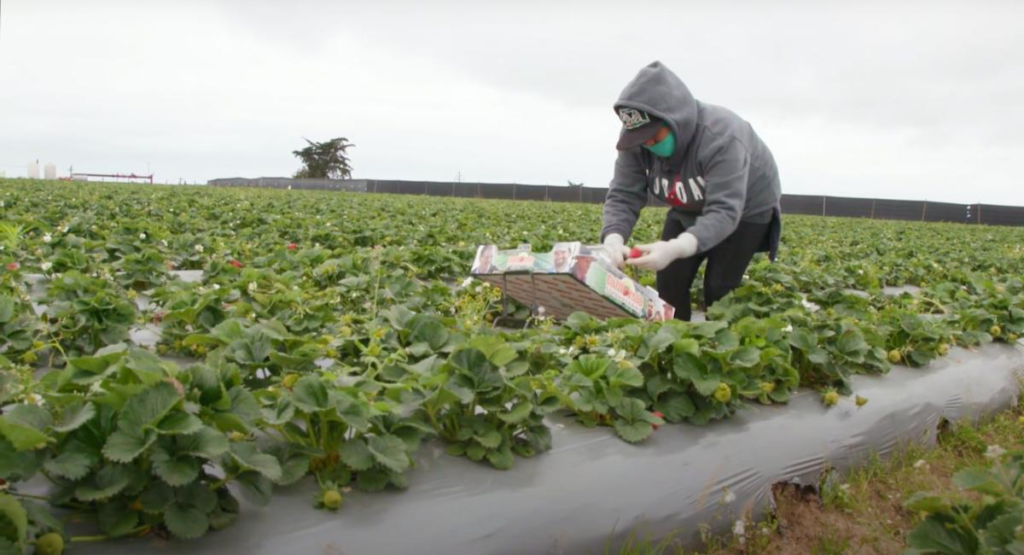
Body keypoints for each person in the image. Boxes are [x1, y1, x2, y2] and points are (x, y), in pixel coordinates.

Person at [601, 61, 782, 321]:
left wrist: (676, 247)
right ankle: (676, 347)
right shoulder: (636, 138)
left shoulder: (722, 137)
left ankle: (719, 351)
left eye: (654, 135)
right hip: (689, 206)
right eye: (642, 138)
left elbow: (724, 211)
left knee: (719, 286)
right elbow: (624, 193)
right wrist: (613, 238)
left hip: (745, 210)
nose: (648, 143)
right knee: (669, 281)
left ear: (675, 120)